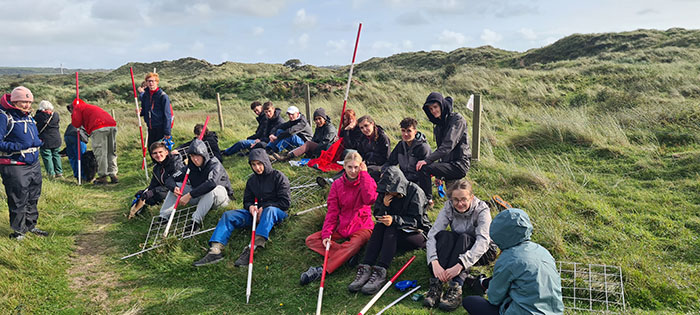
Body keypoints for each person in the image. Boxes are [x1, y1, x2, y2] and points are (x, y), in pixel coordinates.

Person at [193, 148, 290, 267]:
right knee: (228, 215)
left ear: (265, 162)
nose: (257, 168)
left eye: (259, 164)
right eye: (253, 165)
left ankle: (252, 248)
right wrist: (250, 207)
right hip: (255, 214)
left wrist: (264, 208)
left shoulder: (278, 176)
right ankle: (215, 250)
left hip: (276, 213)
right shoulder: (252, 180)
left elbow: (285, 203)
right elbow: (247, 201)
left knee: (269, 211)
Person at [348, 166, 432, 295]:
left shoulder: (415, 191)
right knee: (380, 226)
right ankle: (366, 266)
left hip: (417, 234)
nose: (388, 193)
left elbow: (418, 222)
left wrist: (394, 219)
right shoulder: (385, 193)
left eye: (391, 191)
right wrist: (384, 206)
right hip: (393, 233)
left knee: (391, 228)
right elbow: (377, 215)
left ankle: (381, 270)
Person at [462, 208, 564, 315]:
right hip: (554, 312)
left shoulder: (508, 258)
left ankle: (481, 283)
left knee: (470, 302)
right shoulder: (542, 251)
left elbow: (494, 298)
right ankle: (485, 282)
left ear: (499, 233)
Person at [299, 152, 377, 285]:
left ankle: (321, 270)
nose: (353, 171)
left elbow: (370, 199)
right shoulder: (336, 185)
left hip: (362, 226)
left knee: (355, 244)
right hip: (342, 226)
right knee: (311, 240)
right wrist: (326, 234)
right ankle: (348, 256)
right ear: (344, 167)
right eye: (350, 167)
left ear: (361, 167)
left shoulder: (366, 180)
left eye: (356, 167)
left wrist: (364, 174)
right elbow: (332, 212)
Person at [423, 179, 498, 311]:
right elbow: (432, 234)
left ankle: (456, 287)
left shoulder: (482, 209)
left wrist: (460, 265)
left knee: (464, 238)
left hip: (483, 251)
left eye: (464, 199)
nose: (460, 204)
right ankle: (437, 284)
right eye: (456, 200)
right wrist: (434, 261)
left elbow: (483, 241)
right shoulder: (449, 207)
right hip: (459, 244)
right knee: (445, 236)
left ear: (471, 197)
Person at [0, 86, 47, 240]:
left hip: (33, 163)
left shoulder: (27, 116)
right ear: (14, 101)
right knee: (18, 198)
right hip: (14, 164)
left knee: (33, 196)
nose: (27, 105)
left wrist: (37, 142)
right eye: (23, 102)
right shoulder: (4, 116)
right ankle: (19, 231)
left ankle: (30, 225)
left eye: (29, 102)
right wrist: (17, 147)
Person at [160, 139, 233, 232]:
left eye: (198, 156)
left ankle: (195, 222)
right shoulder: (190, 167)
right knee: (178, 185)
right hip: (200, 197)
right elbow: (170, 179)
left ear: (204, 154)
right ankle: (163, 217)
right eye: (192, 156)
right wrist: (174, 188)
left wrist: (190, 195)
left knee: (212, 189)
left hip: (220, 199)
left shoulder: (214, 164)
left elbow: (211, 183)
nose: (195, 159)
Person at [416, 92, 471, 189]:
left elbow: (448, 145)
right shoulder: (438, 126)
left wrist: (427, 160)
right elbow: (441, 149)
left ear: (442, 105)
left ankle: (428, 201)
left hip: (459, 164)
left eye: (435, 107)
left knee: (424, 168)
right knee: (454, 199)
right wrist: (439, 175)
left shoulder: (457, 120)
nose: (433, 111)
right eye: (431, 109)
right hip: (448, 164)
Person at [69, 98, 118, 184]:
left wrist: (73, 115)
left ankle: (103, 176)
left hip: (98, 127)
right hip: (111, 125)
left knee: (100, 152)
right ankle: (113, 174)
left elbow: (76, 123)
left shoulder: (78, 108)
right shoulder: (88, 106)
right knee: (111, 151)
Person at [130, 141, 186, 217]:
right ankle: (138, 211)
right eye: (155, 153)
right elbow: (153, 184)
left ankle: (165, 215)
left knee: (158, 194)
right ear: (152, 156)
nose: (158, 155)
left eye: (160, 152)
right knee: (148, 198)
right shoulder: (156, 167)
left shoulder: (175, 163)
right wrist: (145, 192)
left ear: (166, 152)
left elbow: (175, 182)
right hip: (164, 190)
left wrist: (153, 191)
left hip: (179, 190)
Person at [383, 117, 432, 202]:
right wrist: (384, 172)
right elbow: (390, 162)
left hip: (418, 181)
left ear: (415, 132)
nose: (405, 134)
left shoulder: (423, 147)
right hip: (403, 179)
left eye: (409, 131)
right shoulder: (400, 145)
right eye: (403, 131)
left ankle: (428, 199)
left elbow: (427, 171)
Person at [139, 72, 174, 148]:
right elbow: (145, 110)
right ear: (146, 83)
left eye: (153, 81)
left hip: (161, 128)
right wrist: (140, 112)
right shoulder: (146, 95)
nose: (151, 83)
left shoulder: (163, 96)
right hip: (151, 128)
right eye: (149, 81)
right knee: (151, 149)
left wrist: (167, 132)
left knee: (162, 151)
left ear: (157, 82)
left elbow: (168, 115)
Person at [355, 115, 390, 181]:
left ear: (372, 124)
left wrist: (368, 162)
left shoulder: (382, 137)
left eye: (366, 126)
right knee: (352, 166)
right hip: (366, 162)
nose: (364, 129)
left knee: (367, 171)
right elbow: (360, 153)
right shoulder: (362, 137)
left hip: (380, 165)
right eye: (361, 128)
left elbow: (386, 158)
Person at [34, 100, 63, 178]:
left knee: (47, 156)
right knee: (56, 155)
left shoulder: (40, 116)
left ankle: (51, 174)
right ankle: (59, 172)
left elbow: (35, 119)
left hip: (45, 139)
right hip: (56, 138)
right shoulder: (56, 115)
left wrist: (38, 111)